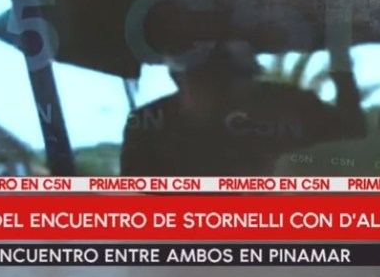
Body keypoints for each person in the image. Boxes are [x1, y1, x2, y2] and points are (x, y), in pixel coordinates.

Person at [120, 40, 366, 176]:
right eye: (207, 78)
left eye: (231, 80)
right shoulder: (149, 124)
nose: (224, 93)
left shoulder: (288, 105)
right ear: (178, 80)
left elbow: (352, 132)